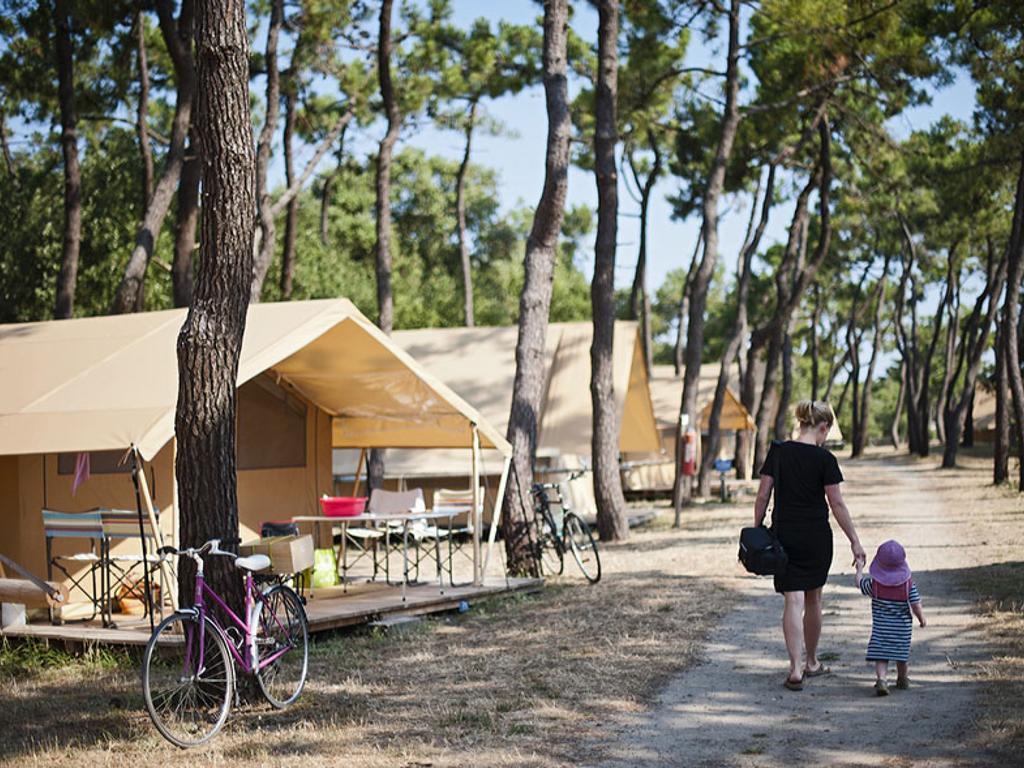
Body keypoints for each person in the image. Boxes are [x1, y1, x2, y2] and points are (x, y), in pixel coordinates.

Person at [753, 399, 866, 691]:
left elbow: (763, 495)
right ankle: (812, 662)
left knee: (793, 600)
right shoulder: (825, 460)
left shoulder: (778, 452)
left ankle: (794, 668)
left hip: (784, 537)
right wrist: (855, 540)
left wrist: (757, 528)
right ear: (823, 427)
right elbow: (837, 504)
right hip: (816, 537)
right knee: (814, 598)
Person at [855, 540, 926, 696]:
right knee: (901, 656)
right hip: (902, 629)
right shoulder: (908, 585)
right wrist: (921, 619)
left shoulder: (875, 585)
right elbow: (915, 604)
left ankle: (882, 679)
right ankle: (902, 678)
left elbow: (859, 583)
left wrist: (859, 568)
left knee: (881, 655)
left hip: (881, 628)